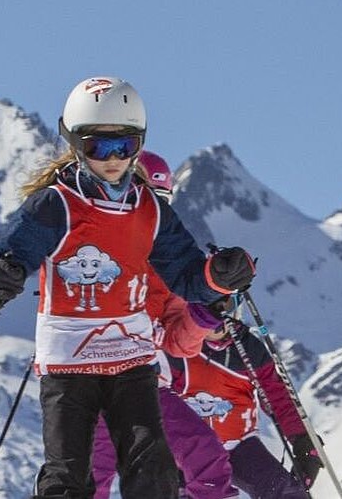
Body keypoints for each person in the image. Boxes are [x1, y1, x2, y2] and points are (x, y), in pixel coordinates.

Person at [0, 76, 256, 499]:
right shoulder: (58, 204)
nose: (112, 158)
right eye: (98, 146)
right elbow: (9, 255)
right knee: (70, 474)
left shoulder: (149, 209)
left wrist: (221, 275)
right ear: (74, 142)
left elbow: (186, 276)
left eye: (124, 145)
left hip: (131, 360)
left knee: (153, 469)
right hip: (69, 364)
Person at [91, 150, 238, 499]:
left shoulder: (171, 267)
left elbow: (176, 343)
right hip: (91, 383)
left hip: (147, 387)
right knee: (87, 480)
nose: (147, 210)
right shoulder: (99, 250)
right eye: (139, 195)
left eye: (159, 202)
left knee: (207, 460)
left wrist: (204, 313)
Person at [169, 297, 323, 499]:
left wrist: (303, 440)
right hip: (186, 450)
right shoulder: (178, 345)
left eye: (226, 306)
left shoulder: (249, 349)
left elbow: (277, 397)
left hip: (238, 446)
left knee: (283, 491)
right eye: (208, 309)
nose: (218, 319)